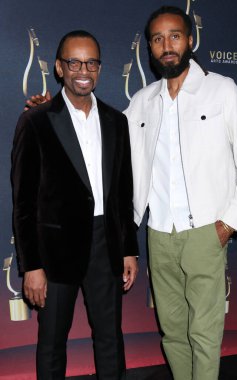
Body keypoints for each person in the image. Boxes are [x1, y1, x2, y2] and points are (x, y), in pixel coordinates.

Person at [124, 6, 237, 380]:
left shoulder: (222, 90)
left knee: (205, 332)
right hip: (159, 234)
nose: (167, 46)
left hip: (206, 233)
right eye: (158, 39)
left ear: (190, 40)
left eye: (174, 36)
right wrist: (54, 110)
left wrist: (227, 225)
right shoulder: (143, 101)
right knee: (174, 332)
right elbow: (110, 143)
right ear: (150, 48)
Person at [11, 30, 138, 380]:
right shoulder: (35, 121)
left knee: (110, 338)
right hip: (54, 252)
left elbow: (122, 194)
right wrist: (32, 266)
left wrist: (128, 249)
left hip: (105, 244)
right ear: (59, 68)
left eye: (91, 62)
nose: (84, 69)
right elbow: (23, 204)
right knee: (52, 342)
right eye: (74, 61)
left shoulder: (117, 122)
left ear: (99, 67)